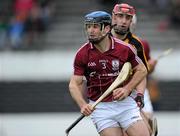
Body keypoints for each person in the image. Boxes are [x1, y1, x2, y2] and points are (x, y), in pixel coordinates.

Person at [69, 11, 149, 136]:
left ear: (106, 28)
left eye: (95, 26)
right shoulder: (82, 54)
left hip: (125, 104)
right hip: (101, 108)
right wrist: (82, 104)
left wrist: (127, 89)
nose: (90, 30)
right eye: (88, 26)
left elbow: (142, 70)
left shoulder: (124, 49)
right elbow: (74, 84)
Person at [111, 3, 158, 136]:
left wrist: (140, 95)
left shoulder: (139, 44)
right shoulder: (104, 41)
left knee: (146, 127)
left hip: (134, 90)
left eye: (128, 19)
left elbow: (143, 72)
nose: (124, 22)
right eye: (121, 17)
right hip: (112, 95)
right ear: (113, 18)